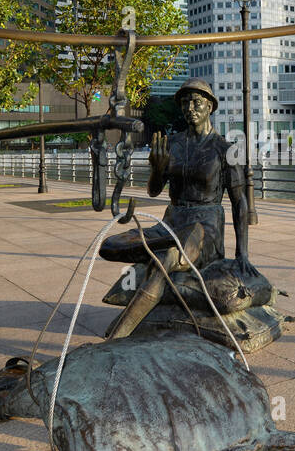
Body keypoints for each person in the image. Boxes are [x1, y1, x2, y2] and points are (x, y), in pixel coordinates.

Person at [103, 78, 258, 338]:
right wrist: (158, 168)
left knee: (166, 259)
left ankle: (116, 336)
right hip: (172, 220)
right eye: (185, 103)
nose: (190, 108)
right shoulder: (171, 144)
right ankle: (157, 262)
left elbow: (239, 202)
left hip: (204, 226)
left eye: (197, 102)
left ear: (210, 107)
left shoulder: (226, 149)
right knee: (109, 246)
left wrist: (242, 253)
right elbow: (153, 190)